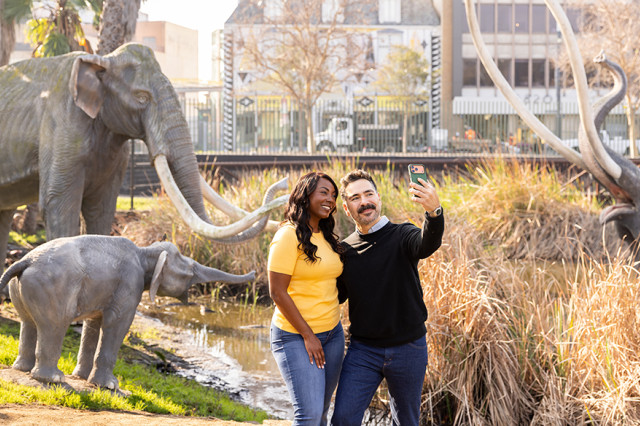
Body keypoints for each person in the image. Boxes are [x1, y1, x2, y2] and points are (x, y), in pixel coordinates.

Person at [331, 169, 444, 426]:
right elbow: (334, 296)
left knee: (406, 422)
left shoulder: (403, 234)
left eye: (369, 194)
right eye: (355, 198)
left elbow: (427, 244)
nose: (364, 202)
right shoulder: (344, 251)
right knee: (343, 419)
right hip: (363, 351)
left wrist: (434, 212)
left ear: (379, 199)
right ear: (347, 209)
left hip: (409, 348)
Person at [268, 171, 345, 425]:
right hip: (296, 337)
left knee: (321, 411)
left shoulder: (326, 236)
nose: (330, 199)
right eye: (324, 192)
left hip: (332, 336)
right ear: (305, 195)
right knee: (309, 415)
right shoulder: (287, 235)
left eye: (333, 195)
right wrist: (308, 336)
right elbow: (277, 292)